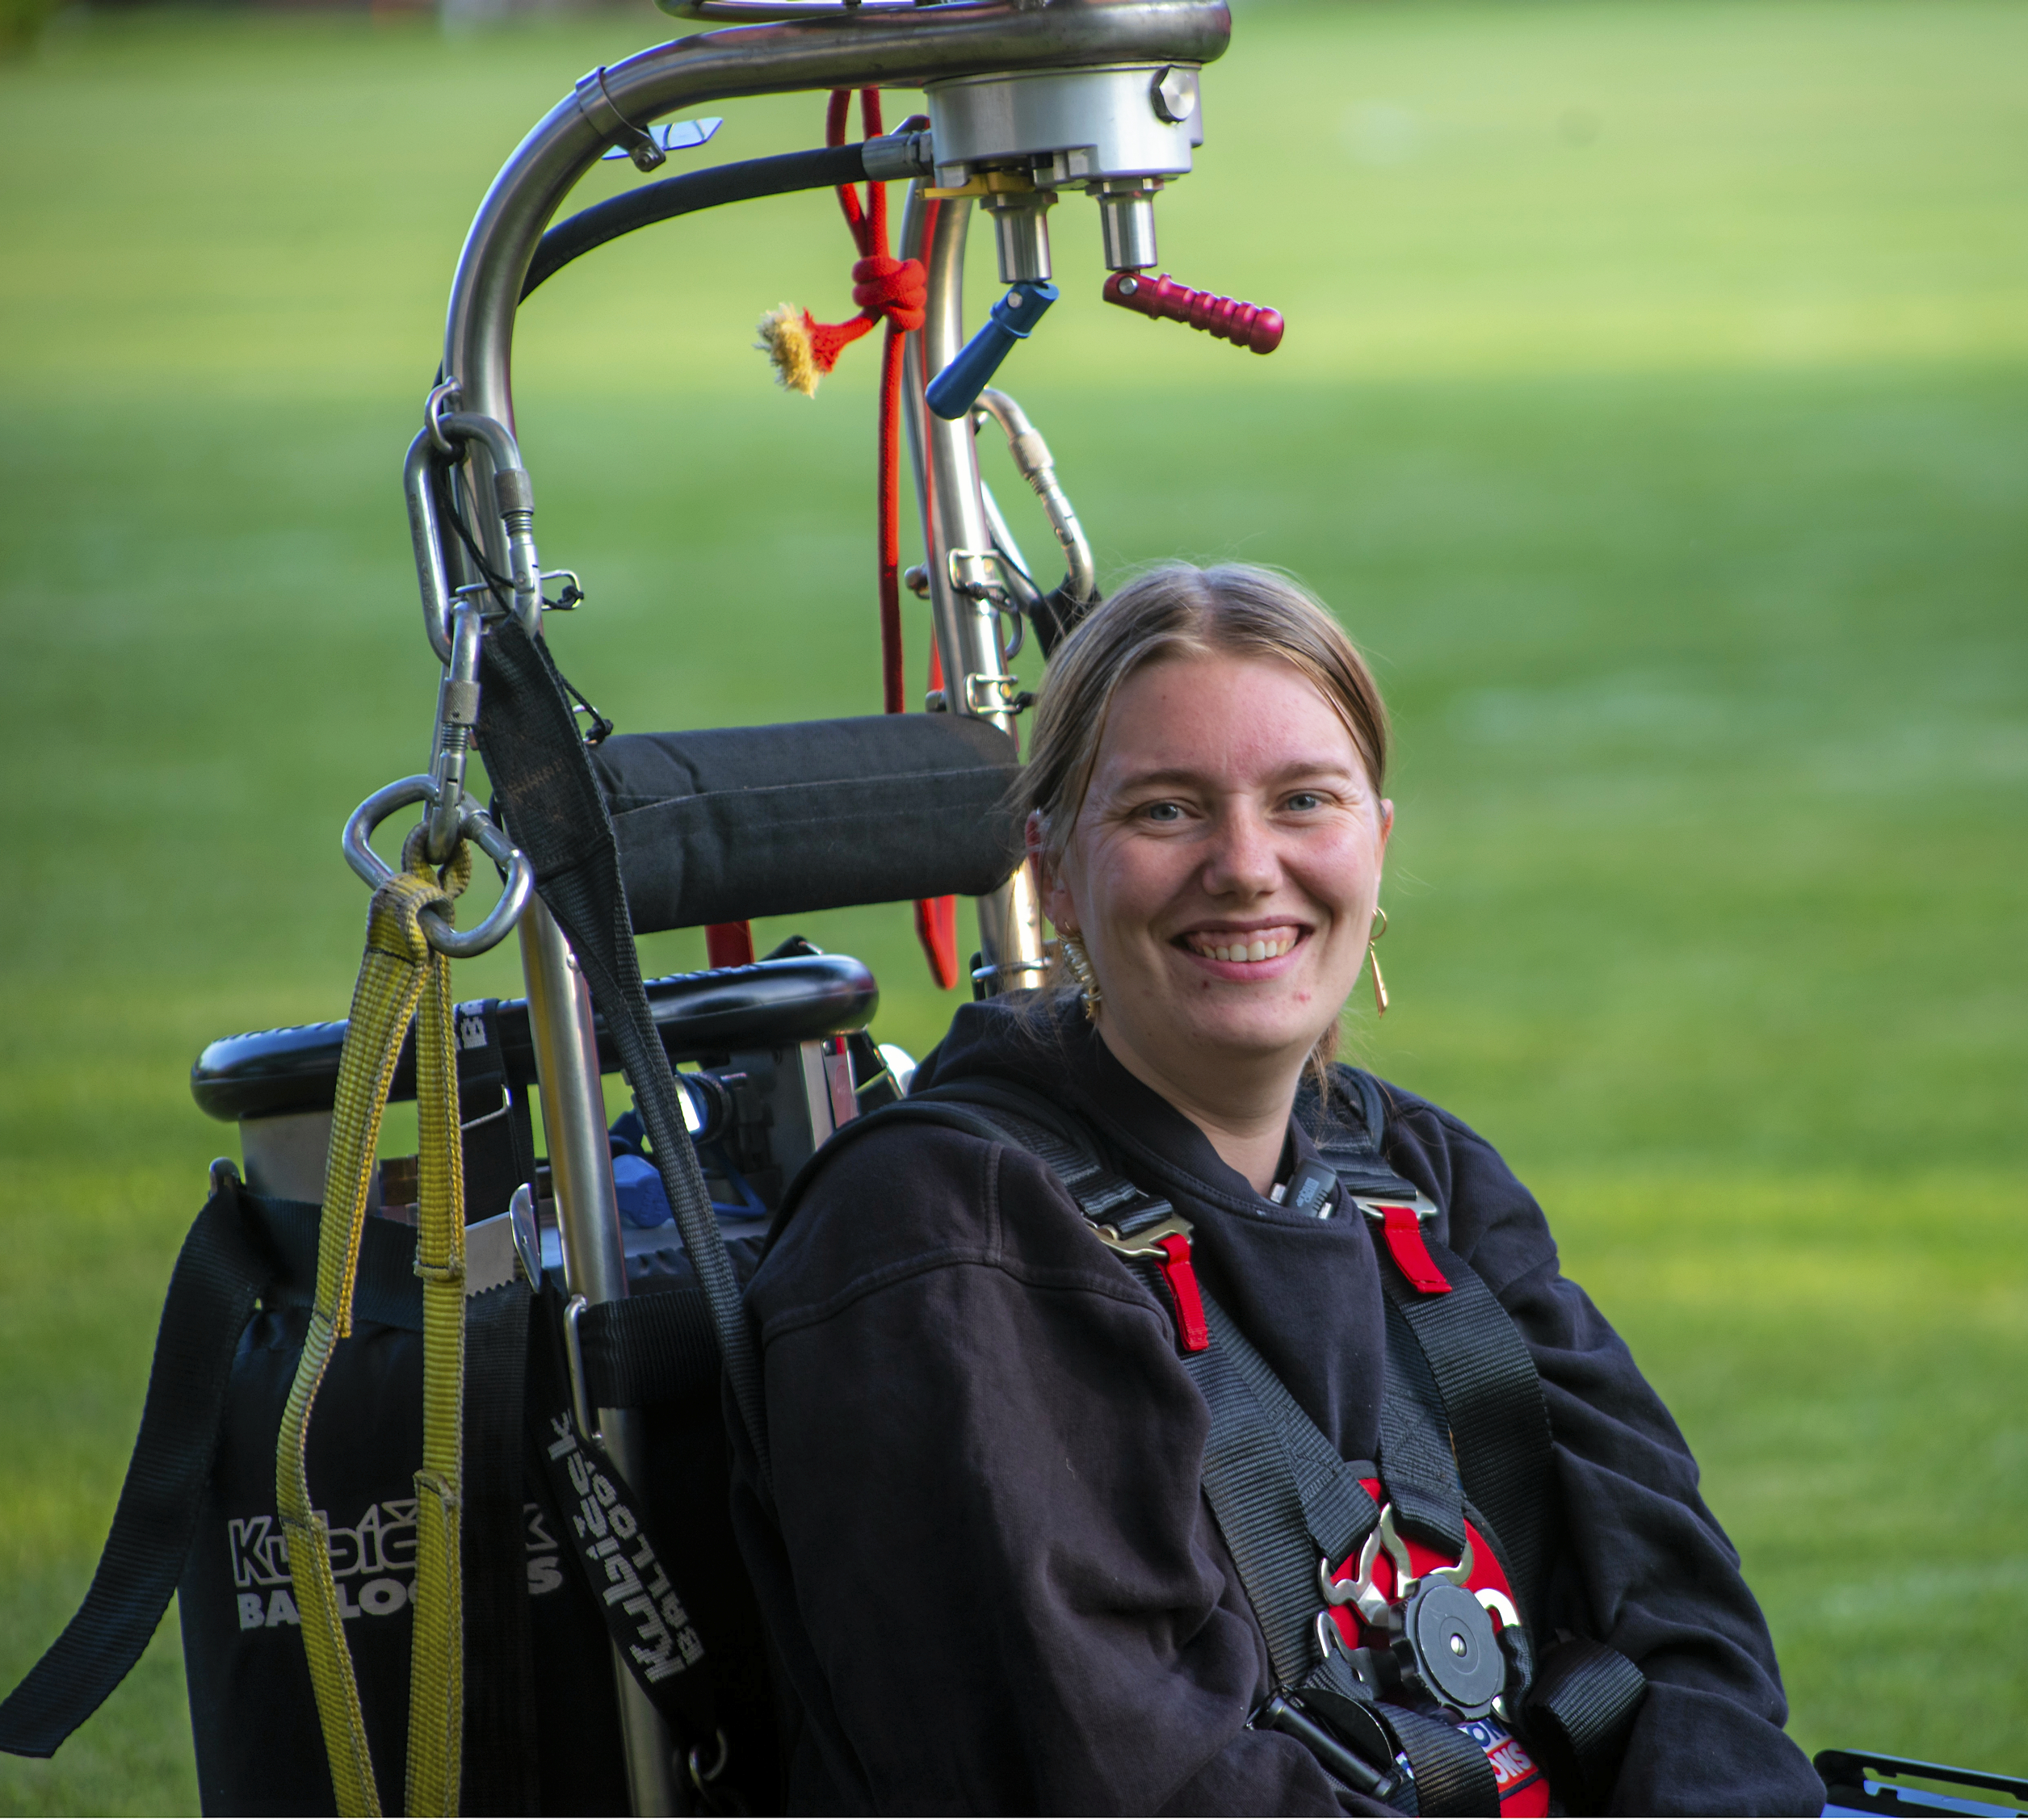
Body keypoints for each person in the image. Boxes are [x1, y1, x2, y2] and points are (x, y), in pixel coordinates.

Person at [726, 563, 1826, 1815]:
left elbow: (1691, 1640)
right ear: (1054, 870)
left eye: (1304, 799)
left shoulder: (1426, 1181)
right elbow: (1121, 1781)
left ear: (1379, 841)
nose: (1247, 867)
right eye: (1165, 811)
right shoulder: (944, 1242)